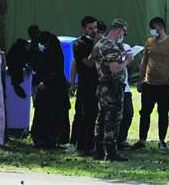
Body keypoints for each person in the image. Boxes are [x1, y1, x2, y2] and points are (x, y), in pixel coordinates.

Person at [131, 17, 169, 151]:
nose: (152, 30)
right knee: (145, 113)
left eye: (154, 27)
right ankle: (142, 140)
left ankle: (162, 140)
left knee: (163, 113)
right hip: (149, 84)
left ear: (160, 28)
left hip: (165, 84)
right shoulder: (149, 42)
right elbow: (144, 61)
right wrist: (139, 80)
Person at [93, 18, 133, 161]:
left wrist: (119, 58)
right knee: (113, 119)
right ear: (119, 31)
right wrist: (127, 60)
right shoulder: (112, 47)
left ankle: (98, 151)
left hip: (102, 86)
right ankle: (110, 152)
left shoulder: (99, 44)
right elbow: (115, 69)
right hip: (112, 89)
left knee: (101, 119)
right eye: (122, 33)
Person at [30, 31, 71, 149]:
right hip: (48, 88)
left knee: (52, 115)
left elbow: (57, 71)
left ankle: (51, 139)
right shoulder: (48, 53)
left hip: (54, 90)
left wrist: (46, 82)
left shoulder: (55, 54)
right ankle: (43, 138)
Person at [68, 16, 102, 156]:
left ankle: (90, 146)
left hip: (97, 83)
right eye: (90, 28)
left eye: (95, 28)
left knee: (94, 116)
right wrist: (95, 44)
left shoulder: (96, 40)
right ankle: (81, 148)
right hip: (85, 85)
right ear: (83, 29)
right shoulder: (79, 44)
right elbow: (88, 63)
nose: (94, 31)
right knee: (85, 117)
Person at [117, 35, 135, 150]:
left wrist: (128, 57)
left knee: (128, 113)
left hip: (126, 87)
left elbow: (129, 65)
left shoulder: (126, 46)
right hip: (113, 87)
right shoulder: (108, 47)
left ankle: (121, 140)